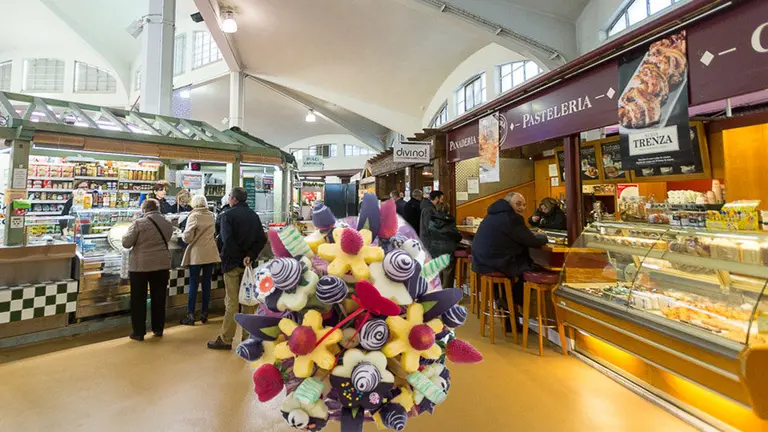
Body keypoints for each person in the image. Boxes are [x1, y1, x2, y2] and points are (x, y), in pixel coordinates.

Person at [208, 187, 268, 350]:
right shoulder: (254, 216)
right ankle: (248, 338)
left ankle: (226, 338)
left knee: (232, 302)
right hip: (248, 265)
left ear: (233, 199)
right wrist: (250, 255)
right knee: (248, 300)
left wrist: (237, 257)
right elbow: (261, 239)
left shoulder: (227, 215)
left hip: (232, 264)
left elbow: (227, 240)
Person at [472, 192, 548, 318]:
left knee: (517, 268)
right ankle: (511, 302)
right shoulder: (512, 218)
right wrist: (543, 237)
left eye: (524, 205)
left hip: (481, 262)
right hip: (495, 263)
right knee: (530, 268)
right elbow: (531, 241)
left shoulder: (492, 214)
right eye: (518, 204)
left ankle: (506, 307)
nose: (522, 208)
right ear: (508, 204)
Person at [122, 198, 174, 341]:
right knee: (159, 297)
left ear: (144, 209)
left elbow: (126, 243)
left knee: (139, 299)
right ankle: (158, 328)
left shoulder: (138, 223)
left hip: (140, 266)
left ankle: (138, 332)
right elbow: (168, 238)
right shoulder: (167, 222)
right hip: (162, 265)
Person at [180, 195, 221, 326]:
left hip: (197, 254)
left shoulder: (194, 216)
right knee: (207, 283)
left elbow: (187, 237)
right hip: (210, 252)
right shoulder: (211, 215)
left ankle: (191, 314)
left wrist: (181, 234)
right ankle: (204, 313)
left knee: (193, 283)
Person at [426, 202, 462, 287]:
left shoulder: (431, 221)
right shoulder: (450, 221)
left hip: (434, 249)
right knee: (447, 272)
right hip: (448, 249)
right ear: (448, 210)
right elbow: (457, 236)